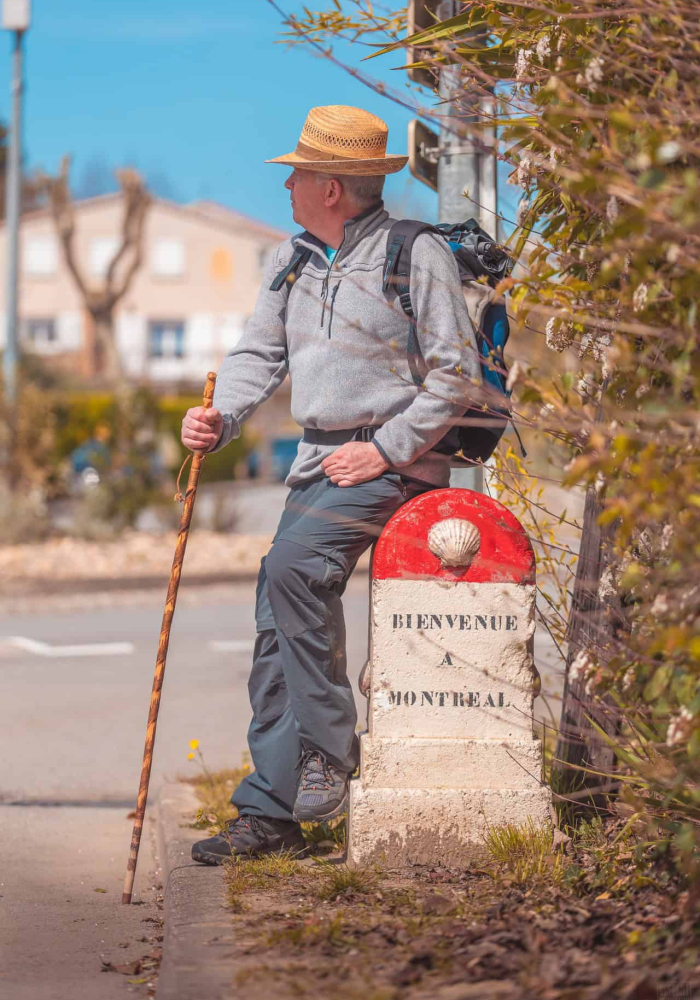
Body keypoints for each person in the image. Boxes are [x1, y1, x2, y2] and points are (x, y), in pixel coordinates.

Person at [182, 105, 482, 864]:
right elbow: (257, 353)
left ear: (330, 187)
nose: (285, 184)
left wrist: (383, 452)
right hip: (319, 465)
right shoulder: (292, 259)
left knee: (290, 573)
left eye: (297, 173)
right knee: (273, 616)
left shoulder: (416, 256)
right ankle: (274, 812)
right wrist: (217, 418)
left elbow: (456, 378)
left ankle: (326, 754)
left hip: (393, 465)